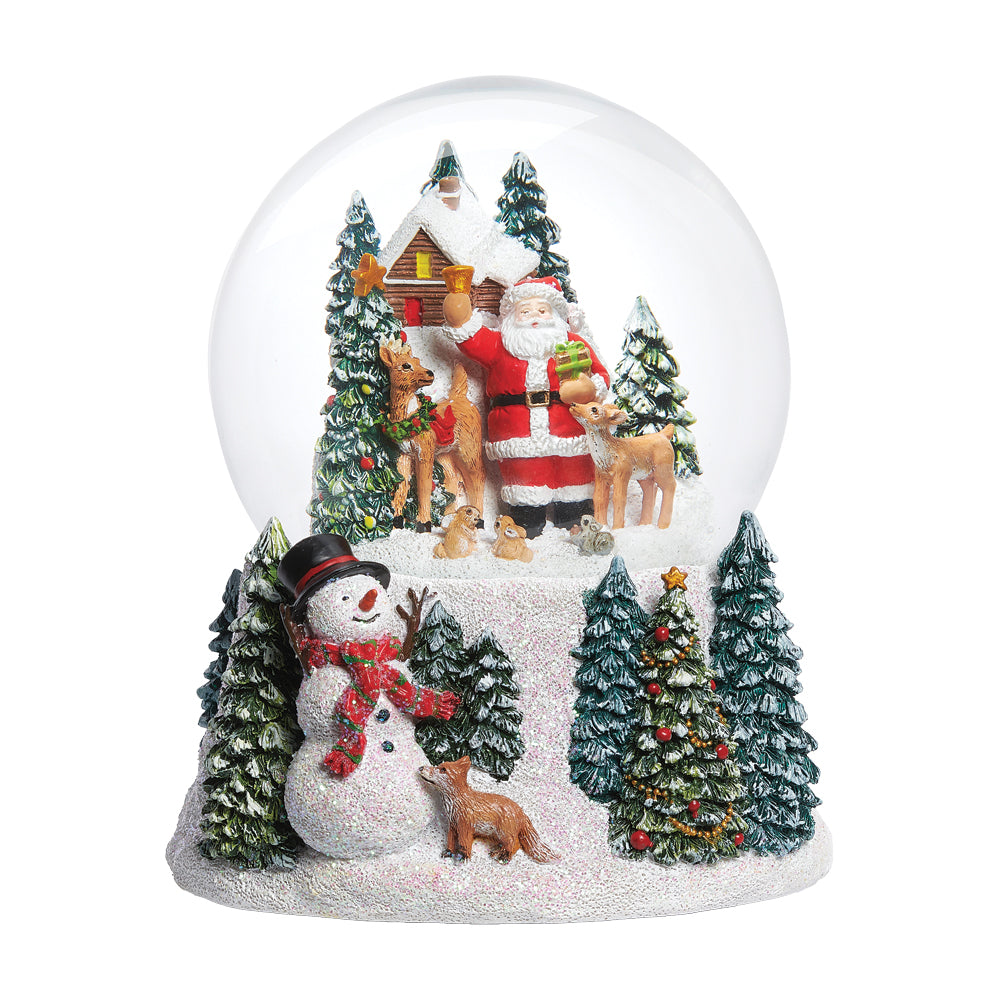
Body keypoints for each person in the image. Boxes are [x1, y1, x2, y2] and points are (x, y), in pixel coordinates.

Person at [442, 275, 609, 537]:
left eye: (542, 310)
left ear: (554, 314)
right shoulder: (499, 345)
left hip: (568, 427)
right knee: (525, 476)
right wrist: (458, 312)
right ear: (512, 316)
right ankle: (527, 518)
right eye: (526, 311)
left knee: (573, 471)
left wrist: (589, 388)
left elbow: (601, 375)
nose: (535, 317)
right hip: (516, 429)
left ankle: (573, 514)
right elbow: (471, 339)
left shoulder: (574, 344)